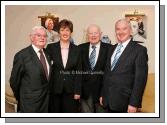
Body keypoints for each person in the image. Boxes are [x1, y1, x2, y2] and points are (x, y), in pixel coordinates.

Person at [100, 19, 148, 113]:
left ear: (130, 30)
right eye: (118, 29)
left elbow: (140, 80)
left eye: (124, 29)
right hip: (107, 101)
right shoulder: (111, 49)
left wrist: (134, 103)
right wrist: (103, 94)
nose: (121, 32)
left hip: (125, 104)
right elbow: (107, 74)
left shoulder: (139, 50)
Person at [10, 26, 51, 112]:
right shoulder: (22, 56)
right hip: (29, 105)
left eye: (44, 36)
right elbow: (14, 81)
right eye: (39, 35)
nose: (42, 38)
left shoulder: (47, 54)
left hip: (47, 103)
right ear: (31, 37)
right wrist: (22, 97)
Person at [46, 19, 82, 113]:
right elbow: (47, 70)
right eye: (62, 30)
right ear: (58, 32)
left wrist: (78, 91)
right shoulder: (50, 48)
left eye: (67, 30)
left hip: (71, 91)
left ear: (71, 32)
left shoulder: (77, 49)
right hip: (54, 90)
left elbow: (79, 71)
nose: (65, 33)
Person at [79, 24, 111, 113]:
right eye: (90, 33)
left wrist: (105, 93)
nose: (93, 35)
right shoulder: (80, 48)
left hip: (102, 93)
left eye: (95, 33)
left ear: (100, 34)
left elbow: (110, 73)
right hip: (85, 93)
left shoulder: (109, 49)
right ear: (87, 35)